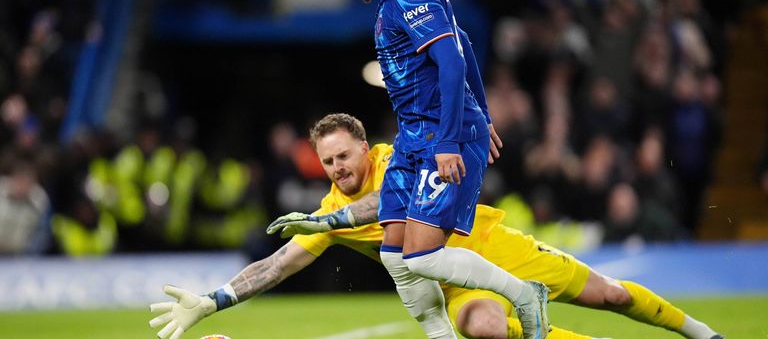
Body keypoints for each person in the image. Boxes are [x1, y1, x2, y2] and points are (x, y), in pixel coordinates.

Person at [149, 114, 724, 339]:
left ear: (362, 147)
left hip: (496, 246)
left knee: (612, 294)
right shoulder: (327, 211)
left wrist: (329, 218)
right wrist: (216, 299)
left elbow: (387, 204)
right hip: (453, 284)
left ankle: (702, 333)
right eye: (328, 162)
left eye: (344, 156)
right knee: (488, 332)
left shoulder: (397, 157)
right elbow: (278, 263)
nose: (338, 168)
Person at [322, 0, 548, 339]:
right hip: (414, 137)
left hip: (439, 138)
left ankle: (524, 294)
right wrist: (482, 110)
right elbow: (461, 43)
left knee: (423, 258)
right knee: (394, 256)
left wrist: (454, 135)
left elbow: (451, 61)